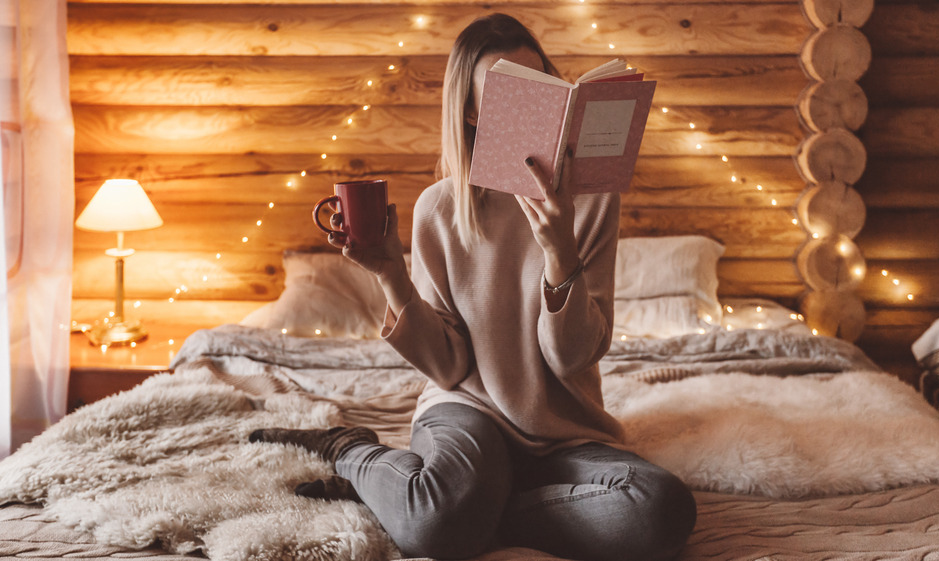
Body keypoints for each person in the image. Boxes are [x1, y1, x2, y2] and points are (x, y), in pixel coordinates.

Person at [251, 13, 696, 561]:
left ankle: (467, 508)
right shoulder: (440, 207)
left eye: (541, 89)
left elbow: (574, 355)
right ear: (470, 112)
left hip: (565, 430)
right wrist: (391, 274)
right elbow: (447, 367)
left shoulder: (593, 199)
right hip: (469, 411)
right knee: (437, 526)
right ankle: (349, 451)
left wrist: (560, 251)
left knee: (661, 509)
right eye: (509, 95)